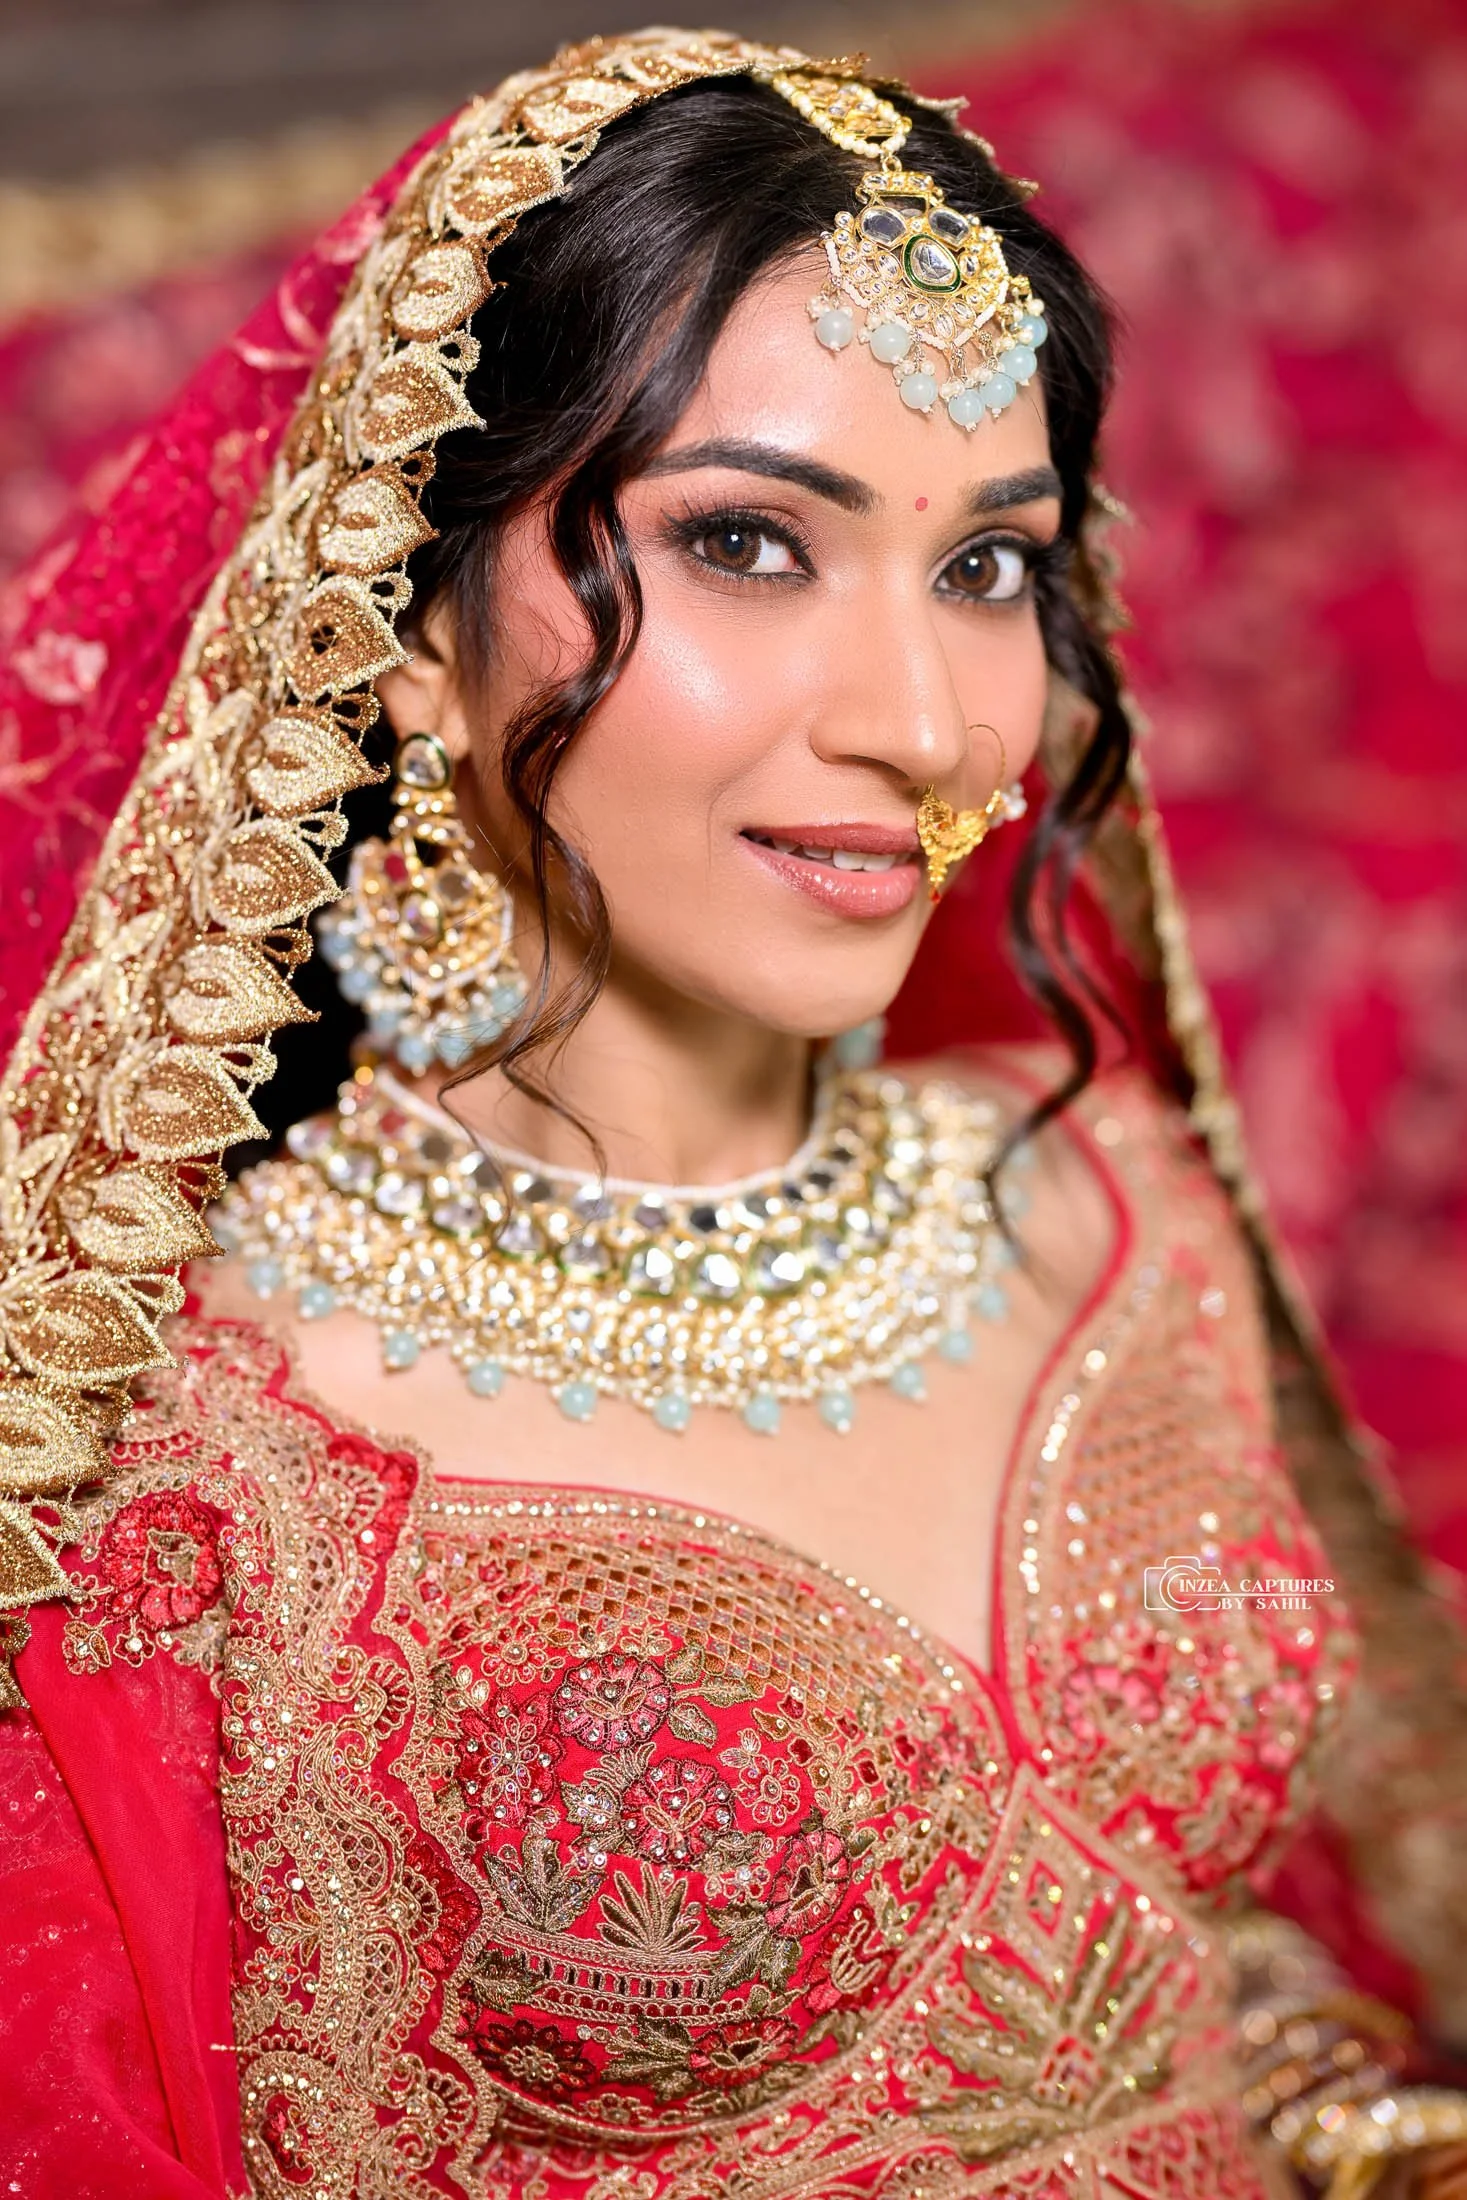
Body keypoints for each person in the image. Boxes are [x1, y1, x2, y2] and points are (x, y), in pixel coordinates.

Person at [1, 30, 1465, 2198]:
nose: (916, 723)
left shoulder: (1114, 1204)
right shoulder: (183, 1464)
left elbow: (1208, 1946)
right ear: (404, 617)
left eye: (985, 566)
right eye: (751, 543)